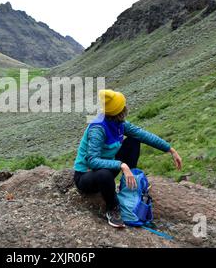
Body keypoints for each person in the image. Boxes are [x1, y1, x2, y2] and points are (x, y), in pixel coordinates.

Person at [73, 89, 182, 228]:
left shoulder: (119, 124)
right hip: (87, 176)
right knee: (104, 174)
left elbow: (142, 135)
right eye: (124, 105)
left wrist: (170, 149)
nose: (126, 107)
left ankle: (128, 186)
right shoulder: (98, 128)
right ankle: (112, 209)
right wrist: (121, 165)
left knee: (133, 141)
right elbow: (92, 161)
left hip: (107, 167)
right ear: (120, 110)